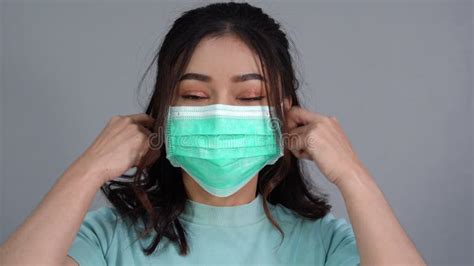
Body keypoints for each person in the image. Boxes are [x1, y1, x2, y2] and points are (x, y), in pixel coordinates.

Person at [0, 2, 426, 265]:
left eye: (248, 97)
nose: (221, 116)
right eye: (195, 94)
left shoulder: (326, 245)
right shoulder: (108, 239)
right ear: (164, 111)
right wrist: (88, 169)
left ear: (286, 114)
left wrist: (352, 174)